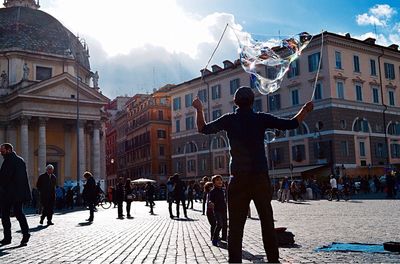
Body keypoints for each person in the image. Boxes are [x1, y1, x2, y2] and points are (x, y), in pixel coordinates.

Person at [192, 86, 313, 263]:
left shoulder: (229, 119)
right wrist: (305, 110)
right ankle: (273, 260)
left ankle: (234, 261)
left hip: (238, 178)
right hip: (259, 177)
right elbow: (291, 123)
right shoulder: (261, 119)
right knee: (267, 221)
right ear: (252, 101)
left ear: (235, 102)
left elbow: (202, 128)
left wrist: (199, 109)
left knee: (235, 225)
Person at [0, 143, 31, 246]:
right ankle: (20, 235)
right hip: (14, 193)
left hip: (11, 193)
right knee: (15, 214)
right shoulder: (17, 160)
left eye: (2, 151)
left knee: (10, 214)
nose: (1, 153)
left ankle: (12, 237)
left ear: (8, 150)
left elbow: (5, 178)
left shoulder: (11, 161)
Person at [209, 175, 227, 246]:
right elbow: (211, 200)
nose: (220, 181)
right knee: (219, 224)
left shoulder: (222, 190)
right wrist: (211, 203)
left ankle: (224, 238)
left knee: (225, 224)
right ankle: (215, 239)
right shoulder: (212, 191)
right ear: (213, 183)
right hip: (217, 210)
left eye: (220, 180)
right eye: (217, 180)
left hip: (223, 209)